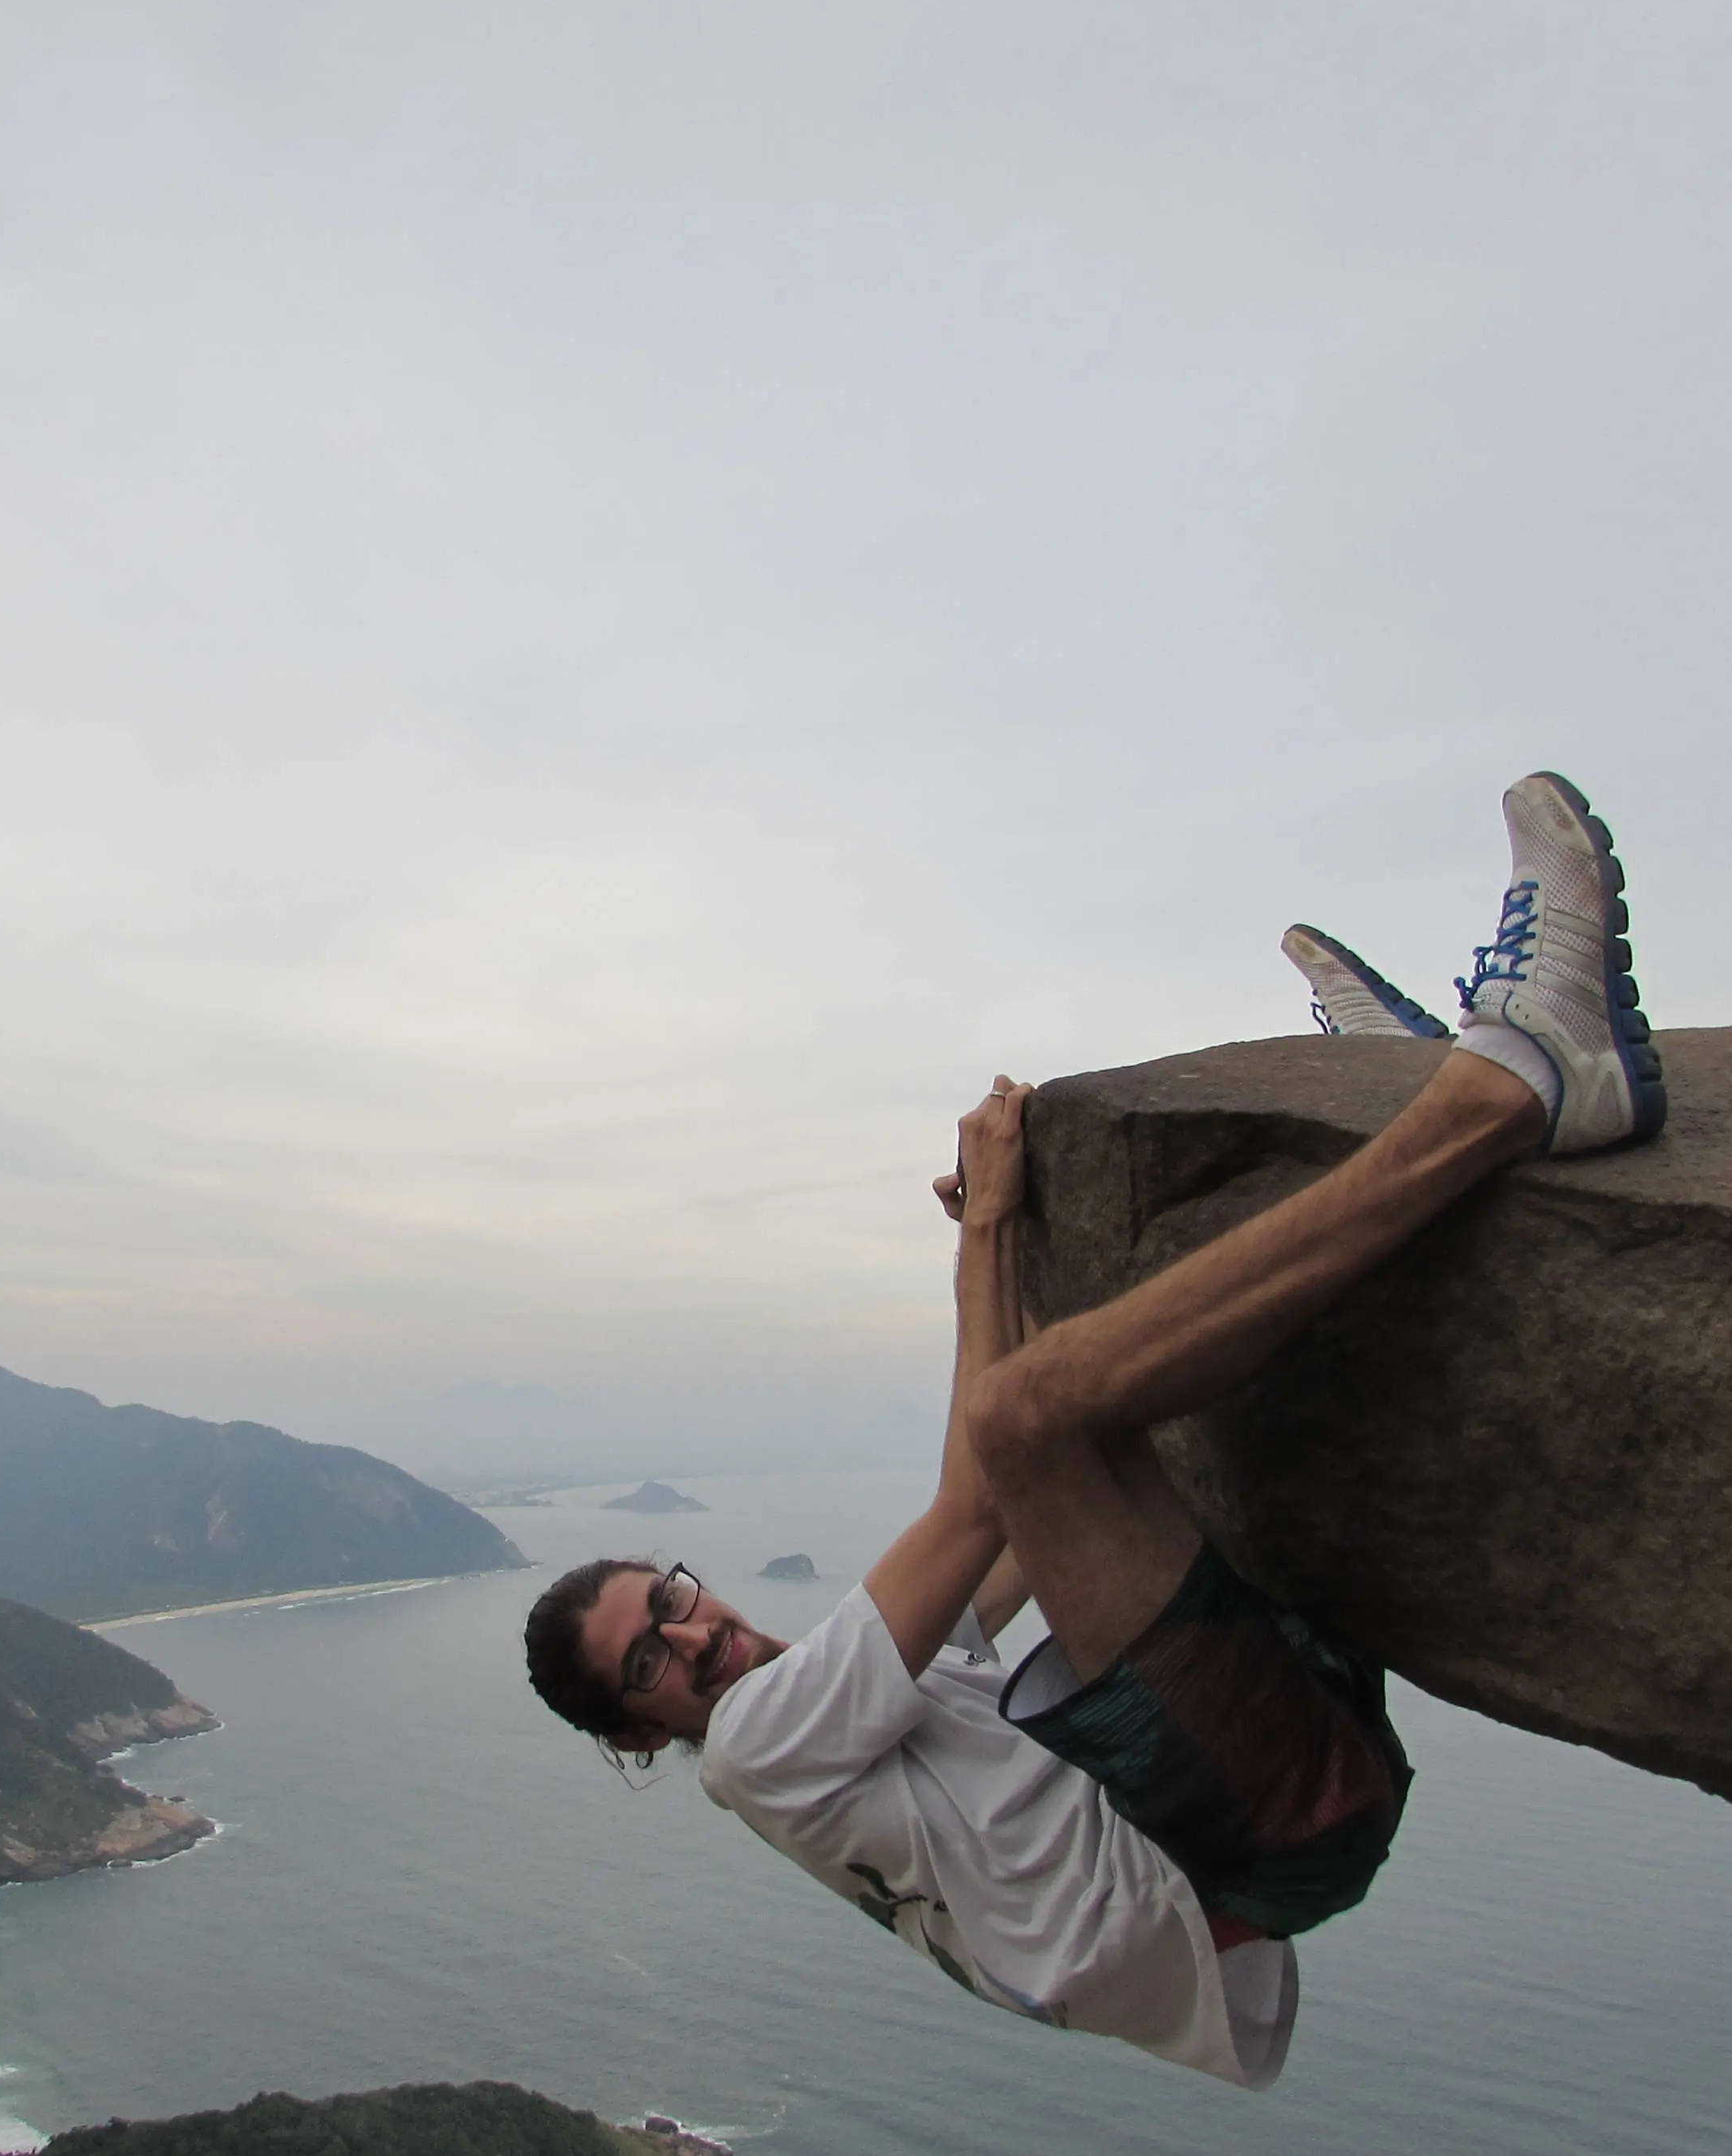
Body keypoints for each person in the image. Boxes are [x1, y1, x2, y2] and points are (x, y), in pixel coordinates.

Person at [522, 772, 1668, 2086]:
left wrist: (990, 1254)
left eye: (664, 1598)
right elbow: (979, 1484)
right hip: (1261, 1826)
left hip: (1260, 1793)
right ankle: (1512, 1088)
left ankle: (1396, 1098)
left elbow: (1014, 1520)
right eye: (649, 1664)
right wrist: (993, 1226)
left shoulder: (837, 1717)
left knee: (1123, 1402)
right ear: (638, 1736)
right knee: (1039, 1408)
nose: (691, 1631)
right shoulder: (760, 1751)